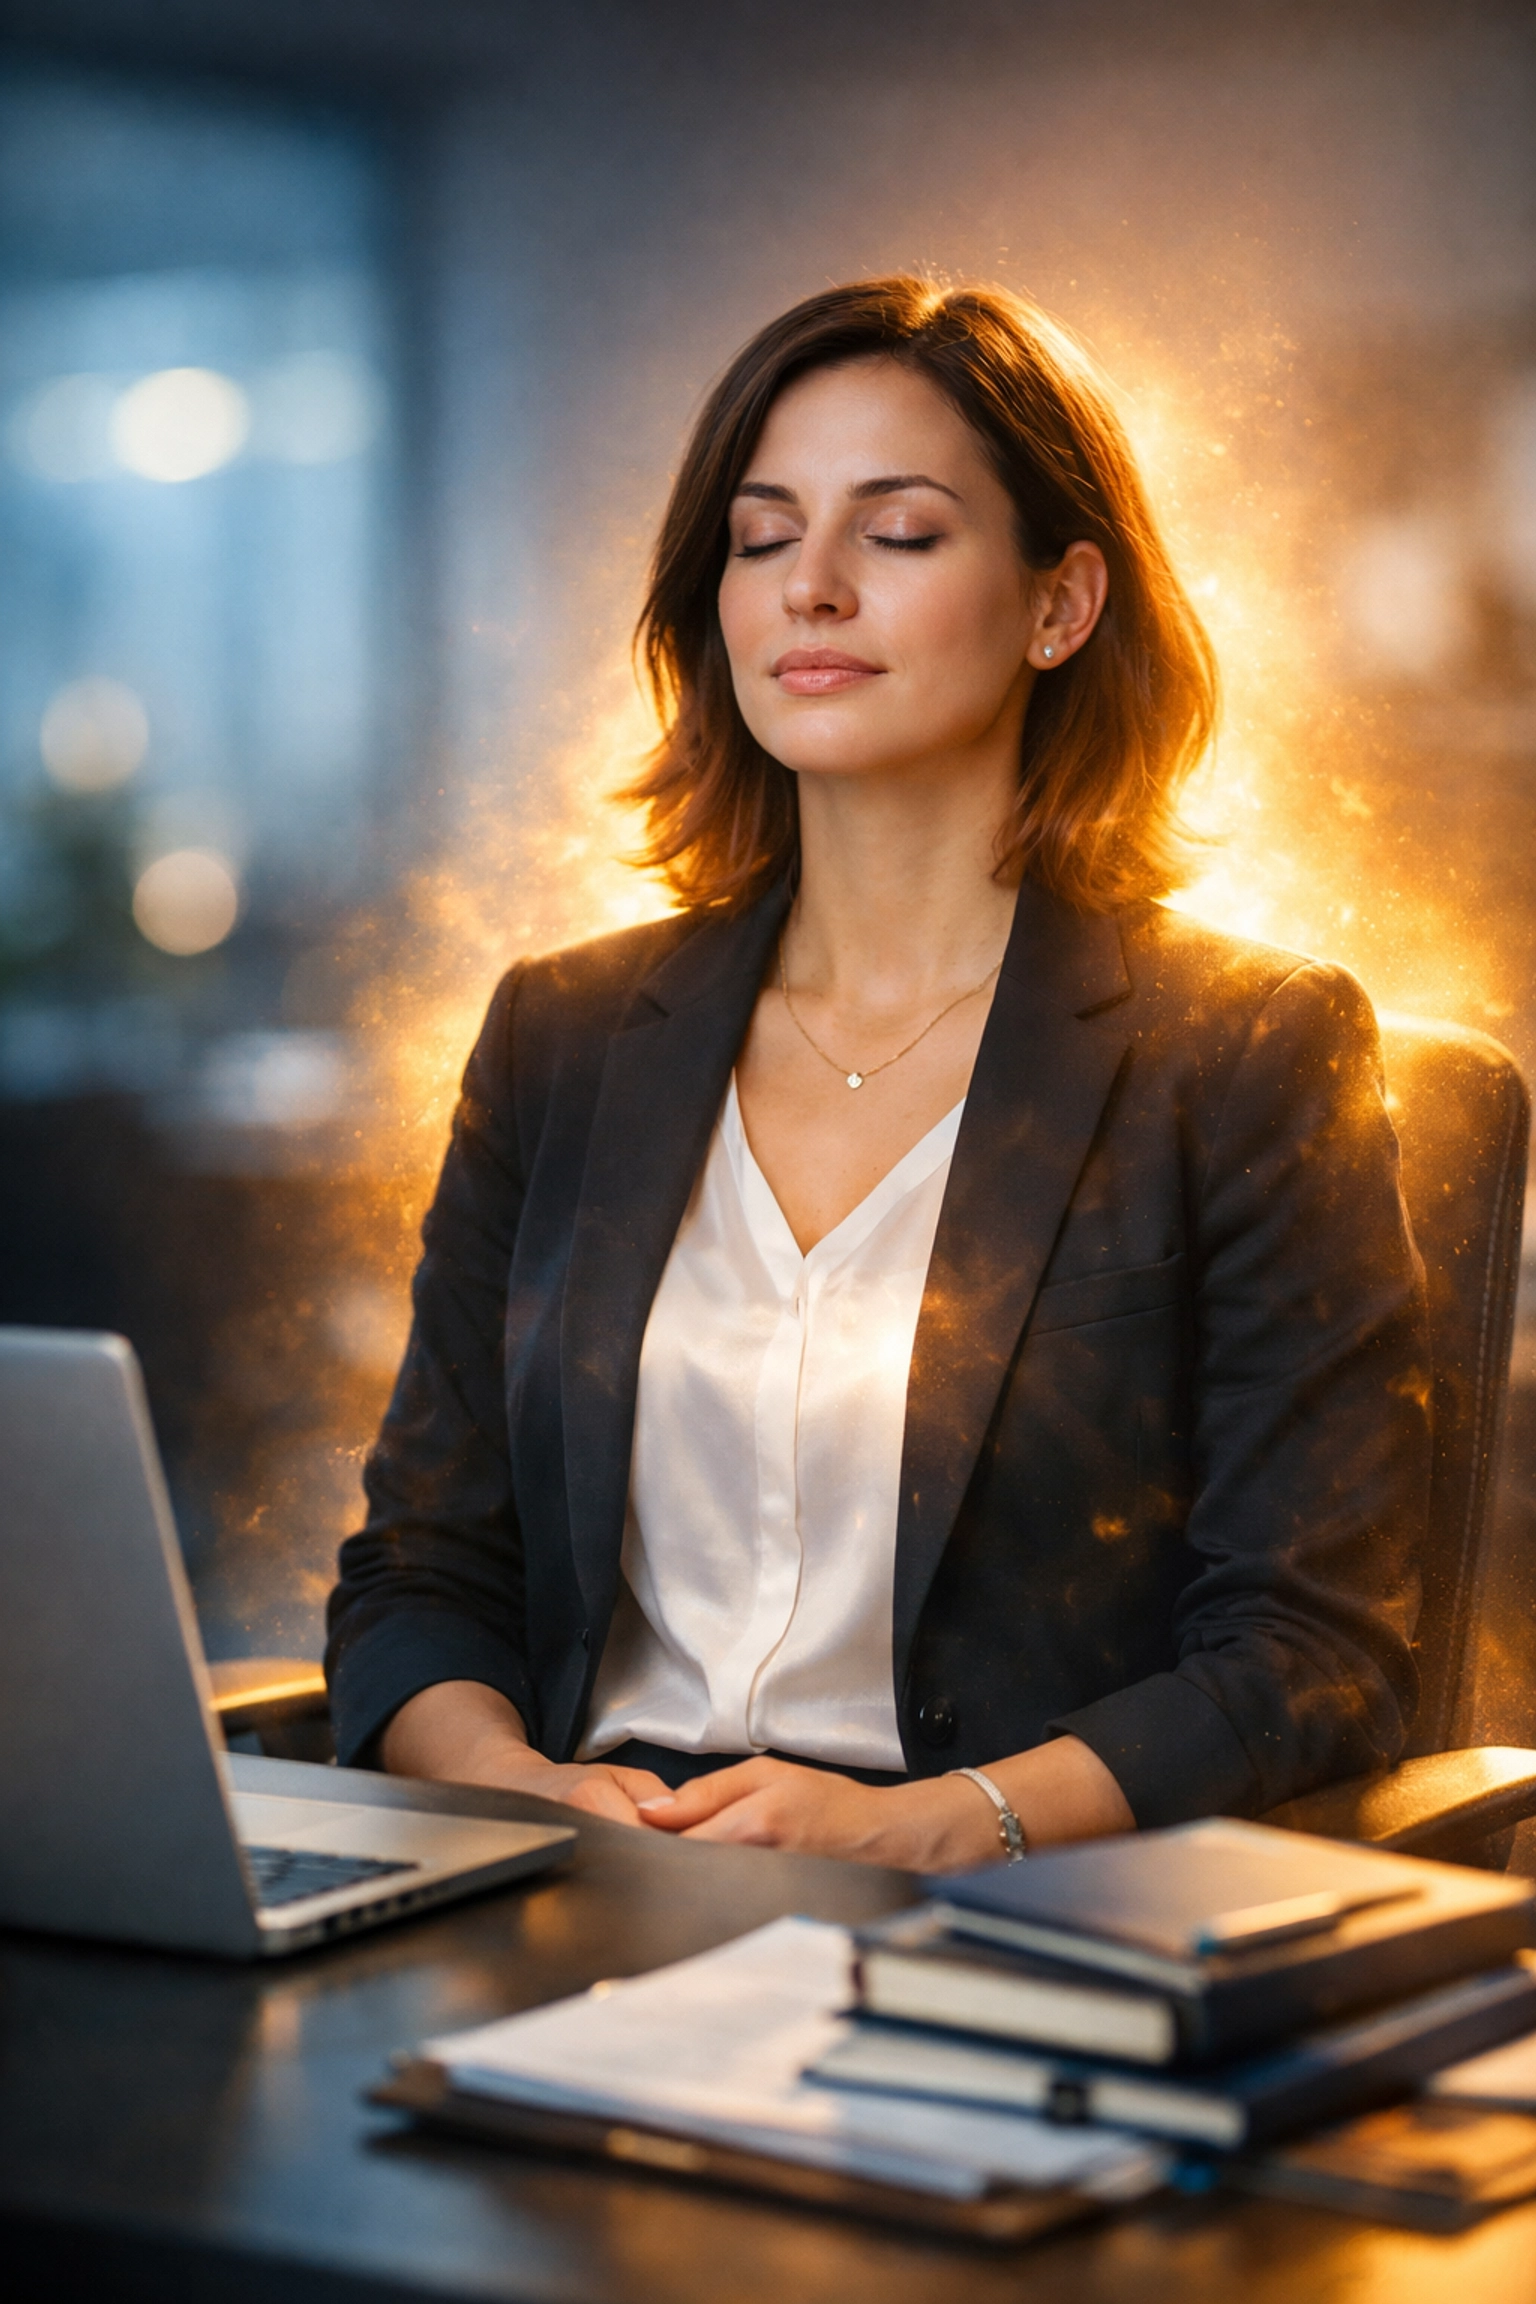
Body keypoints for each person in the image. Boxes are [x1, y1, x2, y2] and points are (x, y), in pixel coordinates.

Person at [325, 277, 1429, 1872]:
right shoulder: (561, 1035)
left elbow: (1313, 1647)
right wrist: (517, 1783)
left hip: (1002, 1907)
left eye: (897, 535)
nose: (810, 591)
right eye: (763, 539)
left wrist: (936, 1828)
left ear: (1060, 605)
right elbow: (422, 1569)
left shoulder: (1246, 1050)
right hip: (577, 1879)